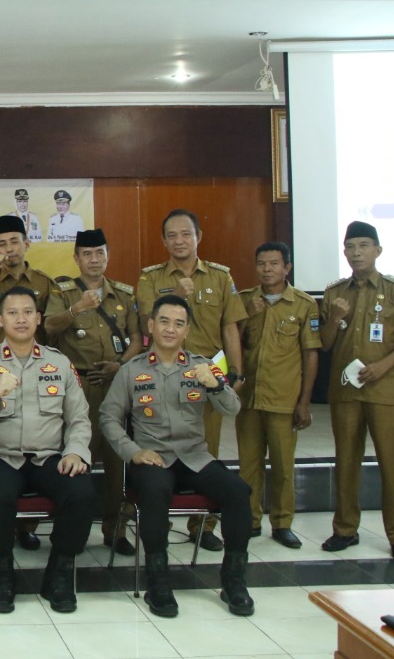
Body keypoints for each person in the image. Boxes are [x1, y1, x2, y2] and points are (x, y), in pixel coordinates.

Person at [100, 295, 254, 618]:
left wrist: (216, 386)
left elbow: (232, 408)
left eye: (179, 324)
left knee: (238, 491)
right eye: (165, 322)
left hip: (194, 456)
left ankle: (234, 580)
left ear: (187, 330)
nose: (171, 329)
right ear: (151, 326)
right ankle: (158, 582)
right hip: (152, 457)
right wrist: (133, 452)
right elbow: (108, 418)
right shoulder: (131, 370)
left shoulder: (202, 366)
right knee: (155, 490)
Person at [0, 286, 95, 615]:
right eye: (13, 313)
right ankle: (3, 574)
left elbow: (79, 418)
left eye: (28, 312)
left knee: (82, 492)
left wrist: (75, 452)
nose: (21, 319)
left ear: (38, 318)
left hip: (49, 457)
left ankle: (59, 573)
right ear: (0, 320)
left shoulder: (58, 363)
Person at [136, 209, 246, 549]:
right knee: (160, 449)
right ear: (163, 240)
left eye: (186, 234)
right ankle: (159, 522)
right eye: (172, 235)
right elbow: (145, 322)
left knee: (205, 451)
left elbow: (230, 327)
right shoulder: (150, 278)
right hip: (161, 378)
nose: (179, 240)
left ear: (198, 236)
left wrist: (235, 373)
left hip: (206, 378)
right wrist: (177, 296)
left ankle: (203, 526)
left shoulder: (220, 277)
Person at [319, 221, 394, 562]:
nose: (357, 253)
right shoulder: (335, 293)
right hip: (347, 392)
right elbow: (325, 343)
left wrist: (383, 366)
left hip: (385, 390)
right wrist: (334, 318)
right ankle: (345, 529)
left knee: (392, 464)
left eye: (364, 245)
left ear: (377, 250)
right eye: (350, 247)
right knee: (345, 461)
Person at [43, 229, 143, 556]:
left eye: (100, 252)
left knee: (116, 464)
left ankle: (115, 530)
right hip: (77, 387)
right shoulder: (63, 292)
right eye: (87, 254)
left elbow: (137, 339)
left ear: (107, 255)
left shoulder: (123, 294)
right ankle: (72, 531)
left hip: (115, 385)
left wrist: (121, 364)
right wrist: (78, 308)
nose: (94, 259)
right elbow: (49, 326)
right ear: (76, 258)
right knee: (74, 458)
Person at [0, 214, 56, 550]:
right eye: (2, 244)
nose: (8, 249)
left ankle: (26, 527)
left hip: (33, 371)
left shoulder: (43, 282)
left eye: (14, 241)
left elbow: (51, 328)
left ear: (26, 243)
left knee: (30, 446)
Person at [236, 242, 320, 549]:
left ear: (287, 268)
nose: (267, 269)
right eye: (261, 263)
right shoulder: (245, 300)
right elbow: (232, 341)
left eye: (274, 263)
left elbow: (310, 354)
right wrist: (246, 315)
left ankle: (283, 523)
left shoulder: (303, 304)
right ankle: (250, 520)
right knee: (248, 465)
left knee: (284, 466)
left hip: (283, 398)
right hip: (248, 398)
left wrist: (304, 402)